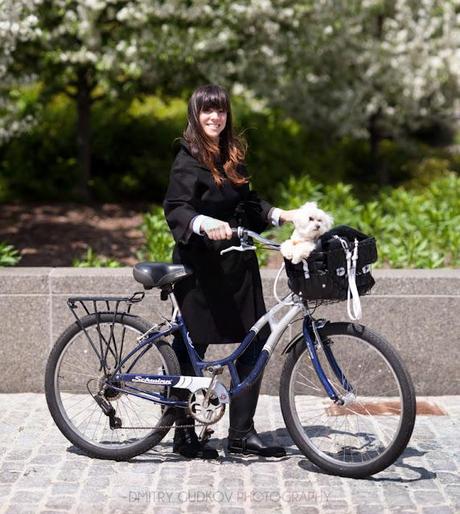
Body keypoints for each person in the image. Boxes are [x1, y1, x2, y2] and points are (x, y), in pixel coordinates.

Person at [163, 84, 297, 459]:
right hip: (202, 266)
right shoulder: (187, 156)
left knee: (255, 342)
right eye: (207, 111)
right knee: (190, 348)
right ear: (195, 114)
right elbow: (176, 207)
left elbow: (248, 203)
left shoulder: (231, 154)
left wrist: (281, 215)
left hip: (238, 266)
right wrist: (204, 223)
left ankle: (241, 433)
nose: (214, 118)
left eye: (220, 111)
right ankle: (184, 435)